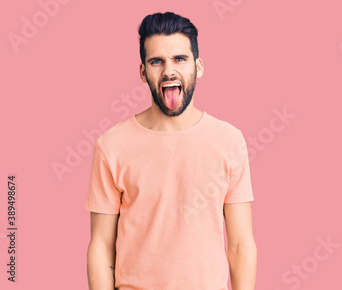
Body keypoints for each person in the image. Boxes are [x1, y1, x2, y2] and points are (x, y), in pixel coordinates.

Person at [85, 11, 257, 289]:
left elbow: (240, 244)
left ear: (198, 66)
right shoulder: (111, 145)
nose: (168, 70)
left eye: (179, 58)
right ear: (143, 72)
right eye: (156, 61)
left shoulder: (229, 140)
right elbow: (101, 246)